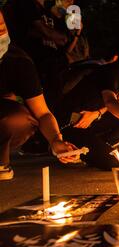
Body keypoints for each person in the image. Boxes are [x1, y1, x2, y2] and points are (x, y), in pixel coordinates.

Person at [55, 38, 119, 170]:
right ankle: (89, 151)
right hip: (71, 126)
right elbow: (110, 102)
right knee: (114, 164)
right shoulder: (111, 72)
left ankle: (104, 146)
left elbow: (118, 110)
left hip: (90, 125)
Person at [0, 11, 77, 181]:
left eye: (2, 29)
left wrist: (56, 141)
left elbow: (42, 113)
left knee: (17, 119)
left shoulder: (17, 61)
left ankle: (1, 162)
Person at [51, 0, 89, 65]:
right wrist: (78, 32)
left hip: (81, 61)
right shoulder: (57, 18)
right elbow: (67, 50)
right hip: (71, 64)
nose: (71, 1)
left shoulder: (71, 17)